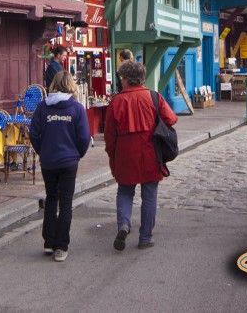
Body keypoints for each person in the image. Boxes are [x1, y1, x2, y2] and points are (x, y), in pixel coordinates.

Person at [105, 60, 178, 250]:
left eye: (121, 78)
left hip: (125, 153)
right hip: (149, 152)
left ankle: (124, 223)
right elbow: (172, 118)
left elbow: (109, 135)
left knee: (125, 190)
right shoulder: (154, 97)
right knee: (149, 194)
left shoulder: (117, 101)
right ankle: (145, 237)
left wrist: (112, 155)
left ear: (127, 79)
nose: (121, 81)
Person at [29, 71, 91, 262]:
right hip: (68, 162)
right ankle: (61, 246)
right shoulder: (76, 108)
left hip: (49, 161)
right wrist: (76, 154)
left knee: (51, 199)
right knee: (65, 203)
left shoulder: (43, 108)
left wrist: (43, 151)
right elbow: (83, 137)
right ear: (71, 84)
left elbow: (34, 133)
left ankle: (49, 241)